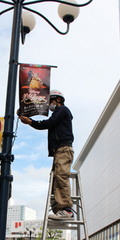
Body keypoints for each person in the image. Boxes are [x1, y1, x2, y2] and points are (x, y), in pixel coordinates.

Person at [19, 89, 74, 220]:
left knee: (61, 177)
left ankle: (66, 209)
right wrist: (27, 117)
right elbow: (49, 123)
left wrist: (31, 122)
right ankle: (59, 209)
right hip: (59, 151)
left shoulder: (62, 110)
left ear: (58, 100)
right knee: (57, 179)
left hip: (63, 149)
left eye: (51, 101)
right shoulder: (59, 114)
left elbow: (48, 123)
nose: (49, 105)